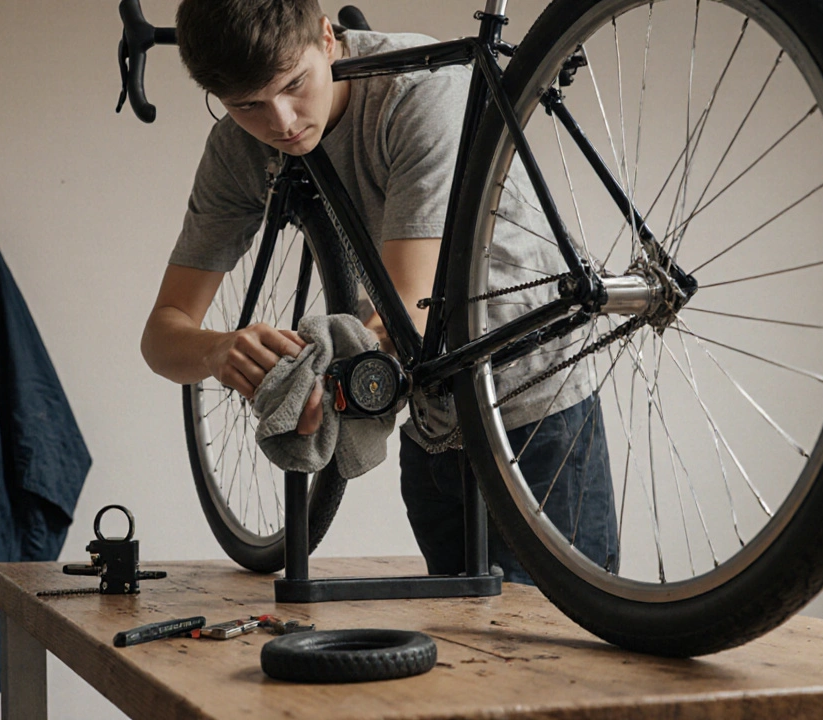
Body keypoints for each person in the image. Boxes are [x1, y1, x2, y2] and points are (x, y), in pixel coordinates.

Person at [140, 0, 618, 582]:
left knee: (567, 656)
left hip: (535, 404)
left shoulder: (415, 94)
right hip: (430, 424)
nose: (283, 122)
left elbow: (408, 313)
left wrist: (320, 372)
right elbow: (163, 332)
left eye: (295, 84)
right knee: (467, 658)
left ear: (326, 36)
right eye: (248, 106)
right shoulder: (239, 151)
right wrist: (218, 351)